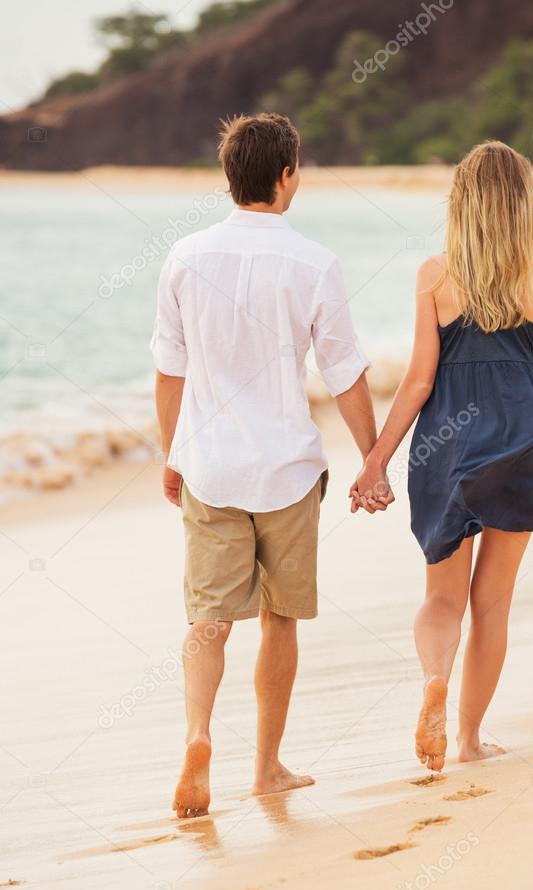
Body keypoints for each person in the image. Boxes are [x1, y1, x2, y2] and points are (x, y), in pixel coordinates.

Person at [152, 113, 381, 818]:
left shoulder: (184, 256)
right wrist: (371, 460)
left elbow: (168, 369)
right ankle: (265, 767)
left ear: (229, 178)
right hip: (285, 471)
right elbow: (344, 373)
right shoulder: (313, 262)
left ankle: (197, 735)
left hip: (211, 468)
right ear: (287, 176)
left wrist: (172, 455)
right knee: (279, 621)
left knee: (209, 622)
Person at [351, 140, 533, 772]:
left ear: (459, 202)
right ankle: (467, 740)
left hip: (448, 444)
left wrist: (376, 458)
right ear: (523, 203)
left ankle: (436, 675)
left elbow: (419, 381)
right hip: (523, 432)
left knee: (442, 598)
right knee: (493, 603)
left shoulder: (434, 275)